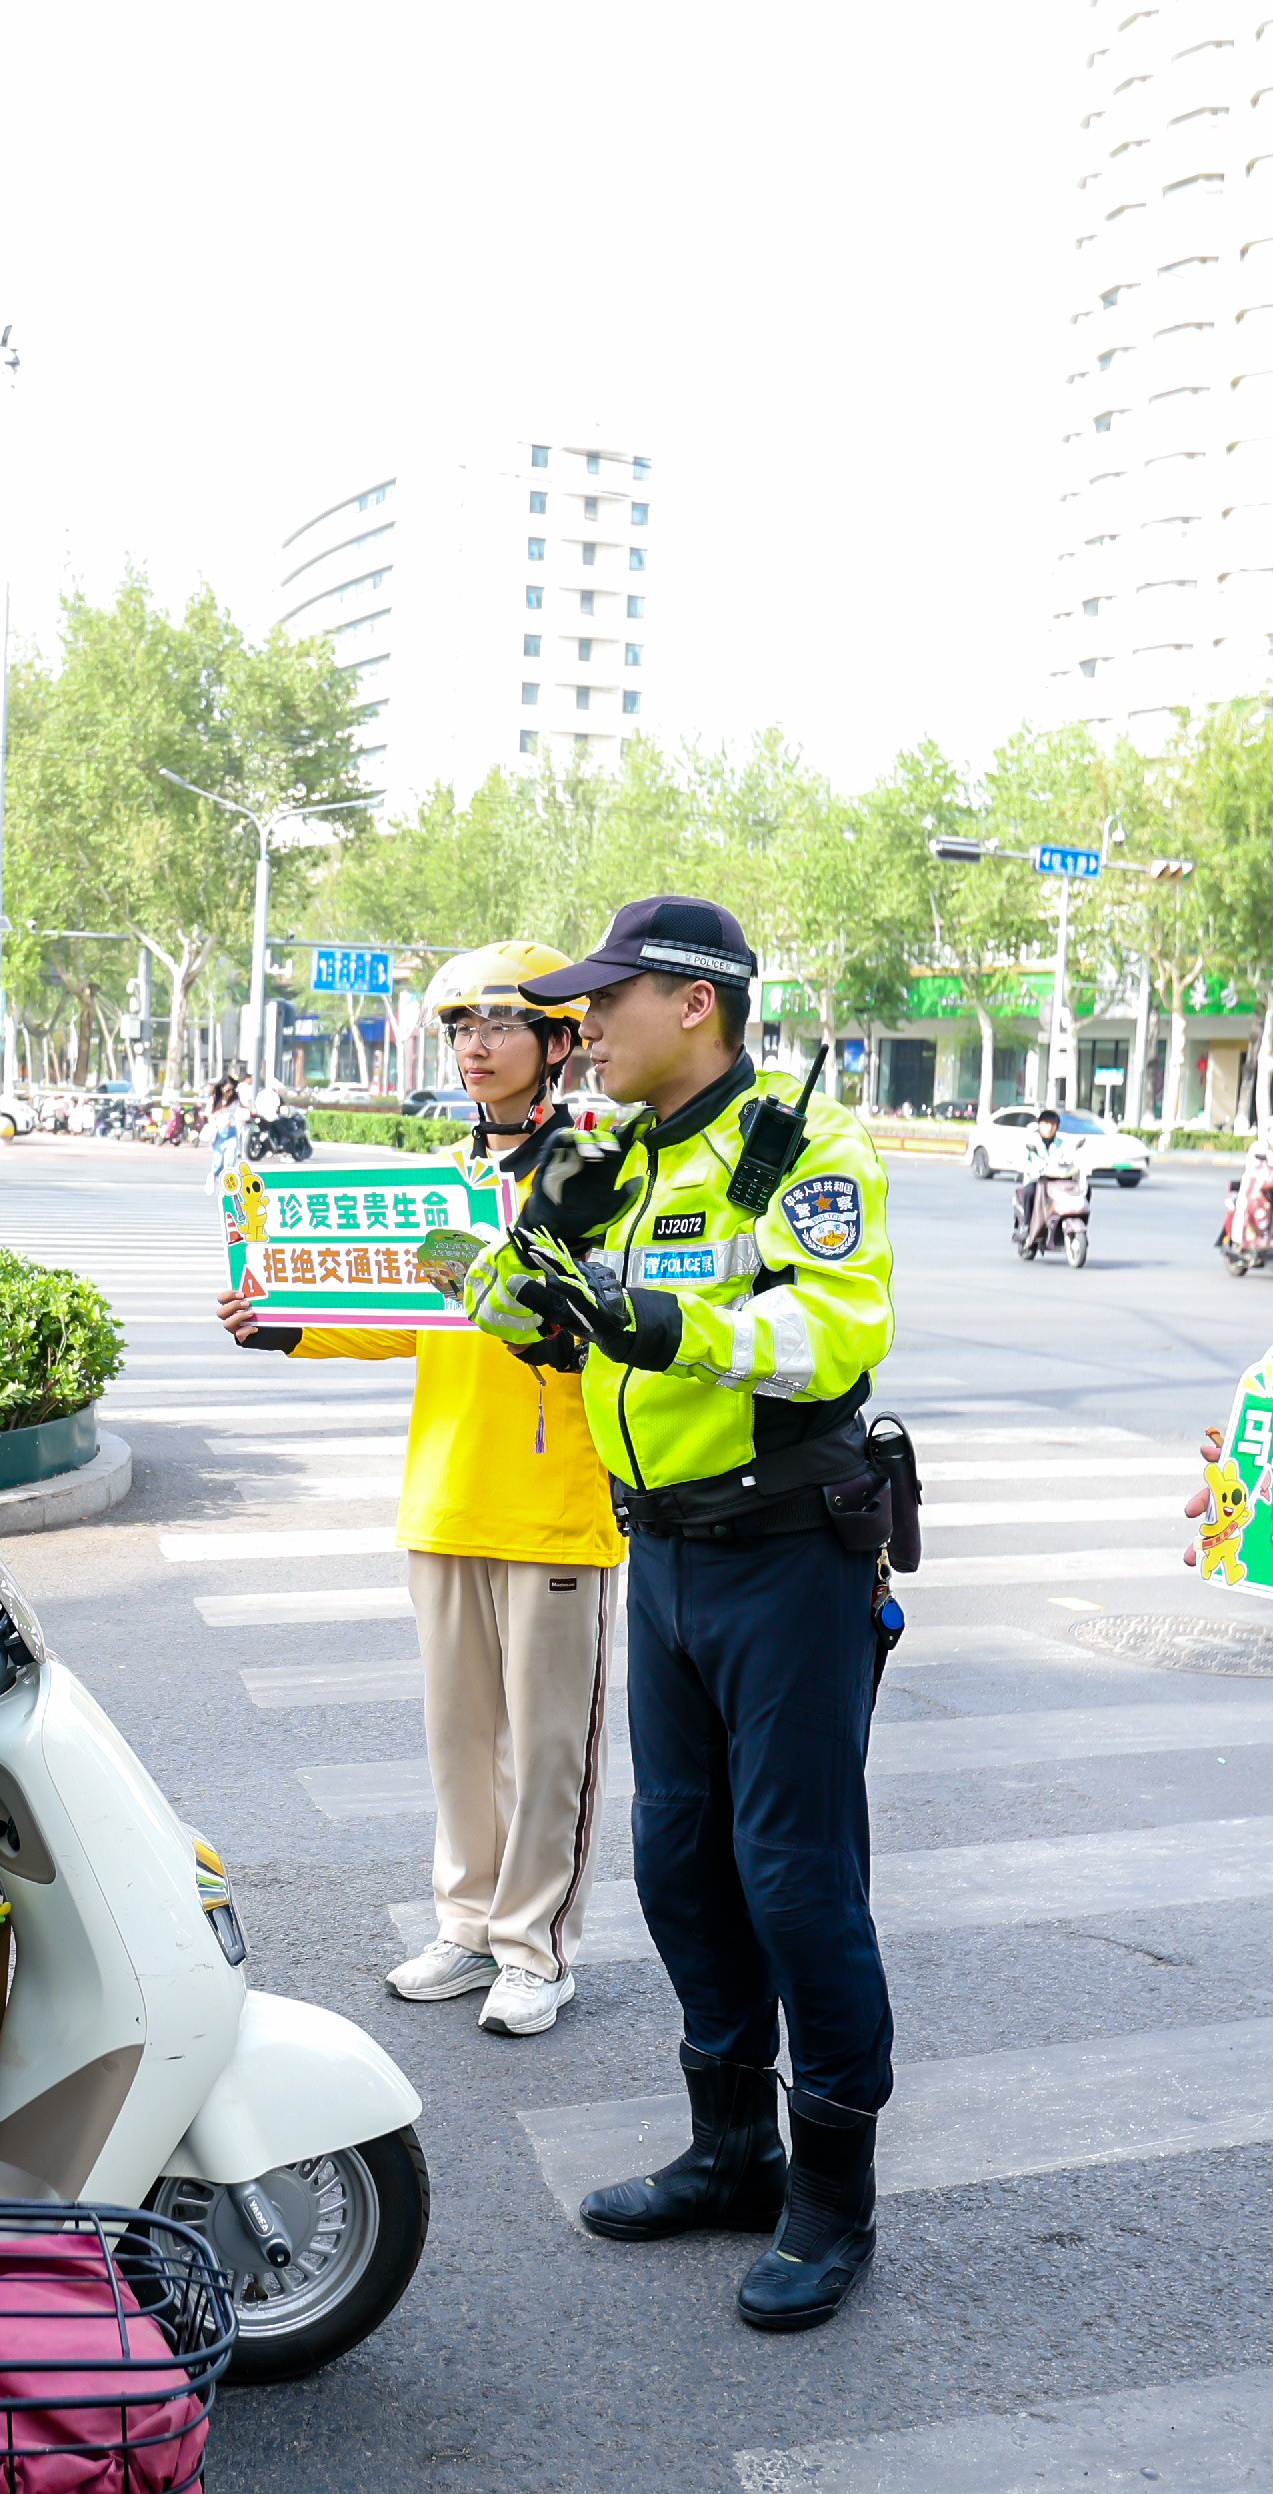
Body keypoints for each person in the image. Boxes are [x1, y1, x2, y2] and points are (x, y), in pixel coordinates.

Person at [462, 894, 904, 2335]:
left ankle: (833, 2197)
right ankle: (732, 2149)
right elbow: (514, 1315)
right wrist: (537, 1250)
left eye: (608, 1000)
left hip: (791, 1552)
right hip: (662, 1552)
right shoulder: (618, 1157)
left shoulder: (805, 1151)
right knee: (675, 1861)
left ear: (694, 1003)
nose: (582, 1027)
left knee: (794, 1874)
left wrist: (672, 1323)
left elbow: (837, 1324)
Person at [215, 941, 619, 2038]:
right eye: (459, 1028)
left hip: (559, 1506)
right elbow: (406, 1314)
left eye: (498, 1026)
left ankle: (537, 1946)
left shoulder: (601, 1169)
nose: (475, 1047)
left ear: (560, 1042)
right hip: (444, 1495)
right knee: (458, 1735)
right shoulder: (441, 1179)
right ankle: (468, 1921)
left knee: (545, 1748)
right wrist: (287, 1322)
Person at [1010, 1106, 1069, 1254]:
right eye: (1045, 1124)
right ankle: (1027, 1226)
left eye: (1052, 1125)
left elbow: (1070, 1160)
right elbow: (1023, 1161)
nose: (1049, 1128)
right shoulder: (1031, 1144)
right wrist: (1034, 1171)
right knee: (1030, 1192)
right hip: (1036, 1181)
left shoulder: (1062, 1145)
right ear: (1039, 1125)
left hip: (1057, 1183)